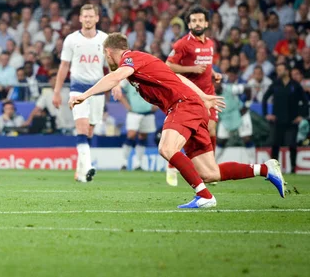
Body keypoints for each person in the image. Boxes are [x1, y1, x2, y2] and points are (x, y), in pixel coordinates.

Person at [70, 32, 286, 209]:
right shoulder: (144, 62)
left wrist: (85, 95)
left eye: (105, 56)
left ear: (108, 52)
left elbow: (114, 76)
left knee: (166, 148)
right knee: (210, 173)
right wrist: (203, 97)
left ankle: (204, 196)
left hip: (183, 106)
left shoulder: (130, 58)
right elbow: (179, 78)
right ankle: (266, 169)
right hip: (193, 106)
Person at [166, 6, 221, 186]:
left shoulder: (210, 44)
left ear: (206, 23)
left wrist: (214, 75)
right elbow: (168, 66)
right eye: (194, 20)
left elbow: (206, 65)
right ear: (189, 24)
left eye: (200, 20)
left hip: (209, 94)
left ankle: (211, 169)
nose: (197, 23)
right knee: (187, 134)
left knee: (211, 130)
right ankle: (171, 166)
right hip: (189, 96)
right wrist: (191, 69)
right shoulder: (182, 44)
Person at [53, 4, 107, 183]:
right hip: (77, 89)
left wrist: (117, 85)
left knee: (90, 130)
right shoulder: (71, 40)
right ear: (80, 18)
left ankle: (80, 171)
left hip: (97, 91)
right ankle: (89, 166)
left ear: (97, 18)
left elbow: (113, 65)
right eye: (85, 16)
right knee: (82, 128)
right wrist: (57, 91)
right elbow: (64, 66)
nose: (88, 19)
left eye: (91, 16)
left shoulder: (105, 40)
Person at [262, 63, 308, 173]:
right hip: (277, 120)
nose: (278, 72)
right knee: (275, 144)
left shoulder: (295, 85)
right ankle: (273, 169)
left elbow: (305, 101)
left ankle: (293, 168)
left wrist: (301, 116)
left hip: (292, 120)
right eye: (277, 70)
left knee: (292, 145)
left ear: (286, 71)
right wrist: (266, 114)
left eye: (280, 69)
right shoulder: (275, 85)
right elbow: (265, 98)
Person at [115, 79, 157, 171]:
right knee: (131, 135)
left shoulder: (149, 77)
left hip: (148, 112)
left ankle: (138, 163)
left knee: (143, 137)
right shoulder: (129, 79)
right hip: (134, 112)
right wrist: (126, 105)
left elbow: (160, 91)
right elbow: (118, 90)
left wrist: (157, 105)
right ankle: (124, 162)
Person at [215, 70, 255, 164]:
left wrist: (247, 105)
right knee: (221, 141)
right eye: (213, 83)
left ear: (221, 83)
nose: (215, 85)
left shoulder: (230, 88)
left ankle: (253, 163)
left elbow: (247, 88)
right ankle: (214, 163)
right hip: (226, 118)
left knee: (247, 138)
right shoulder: (210, 93)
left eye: (217, 83)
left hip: (240, 114)